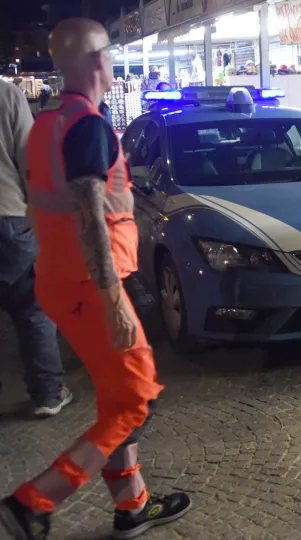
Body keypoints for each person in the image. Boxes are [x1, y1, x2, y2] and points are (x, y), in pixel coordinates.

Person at [0, 19, 191, 540]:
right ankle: (34, 502)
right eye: (108, 52)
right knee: (137, 400)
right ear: (97, 62)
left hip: (60, 281)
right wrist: (112, 300)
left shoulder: (49, 122)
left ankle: (133, 507)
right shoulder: (86, 126)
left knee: (117, 396)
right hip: (91, 287)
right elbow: (88, 212)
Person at [0, 78, 71, 418]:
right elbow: (32, 161)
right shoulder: (6, 94)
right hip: (8, 220)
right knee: (32, 309)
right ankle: (47, 394)